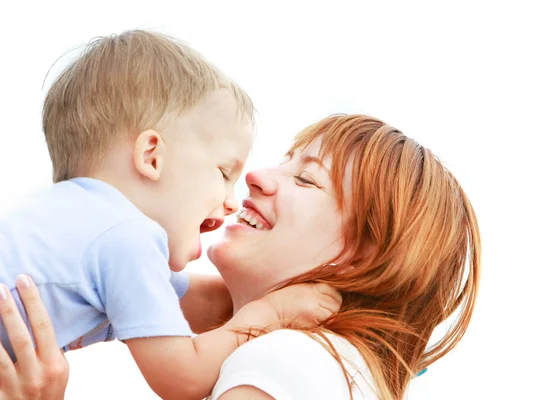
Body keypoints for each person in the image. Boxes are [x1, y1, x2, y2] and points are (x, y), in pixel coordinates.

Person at [1, 114, 480, 399]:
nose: (257, 176)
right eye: (285, 160)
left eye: (307, 180)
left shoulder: (285, 359)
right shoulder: (330, 367)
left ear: (362, 258)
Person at [0, 30, 341, 400]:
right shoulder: (125, 238)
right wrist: (271, 313)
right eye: (224, 174)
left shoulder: (77, 225)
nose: (231, 202)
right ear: (152, 157)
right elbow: (183, 378)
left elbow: (211, 304)